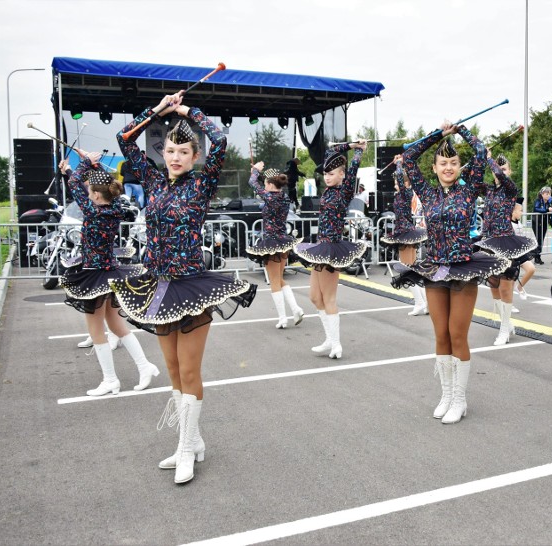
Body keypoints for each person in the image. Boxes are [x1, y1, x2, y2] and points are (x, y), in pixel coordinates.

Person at [112, 92, 257, 485]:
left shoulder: (202, 183)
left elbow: (222, 141)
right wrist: (158, 110)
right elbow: (125, 138)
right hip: (157, 286)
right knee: (173, 369)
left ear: (195, 156)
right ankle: (189, 443)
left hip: (191, 287)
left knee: (190, 369)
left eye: (183, 151)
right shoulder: (155, 180)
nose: (175, 157)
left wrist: (187, 112)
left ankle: (187, 448)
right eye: (170, 150)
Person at [391, 123, 509, 425]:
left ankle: (460, 398)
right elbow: (408, 155)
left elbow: (481, 151)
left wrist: (462, 131)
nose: (448, 167)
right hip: (434, 267)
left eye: (453, 163)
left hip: (463, 268)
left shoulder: (469, 188)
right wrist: (438, 135)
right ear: (435, 167)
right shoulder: (428, 193)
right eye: (443, 162)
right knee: (440, 334)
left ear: (460, 167)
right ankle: (445, 394)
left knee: (458, 335)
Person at [59, 152, 157, 396]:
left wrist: (80, 165)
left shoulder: (93, 212)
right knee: (116, 324)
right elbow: (81, 184)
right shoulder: (114, 207)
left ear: (94, 195)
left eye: (90, 191)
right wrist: (86, 166)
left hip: (94, 274)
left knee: (97, 329)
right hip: (110, 272)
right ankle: (145, 366)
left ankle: (111, 380)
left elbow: (75, 185)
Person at [294, 141, 368, 359]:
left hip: (333, 249)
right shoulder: (327, 191)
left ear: (342, 175)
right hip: (320, 246)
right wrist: (350, 143)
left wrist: (359, 151)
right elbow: (329, 151)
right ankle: (329, 339)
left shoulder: (344, 191)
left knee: (329, 298)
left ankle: (336, 344)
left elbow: (353, 168)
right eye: (325, 173)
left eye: (332, 173)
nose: (327, 176)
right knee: (315, 297)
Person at [476, 153, 537, 346]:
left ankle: (504, 329)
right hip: (488, 241)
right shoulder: (488, 190)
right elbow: (473, 181)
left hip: (505, 241)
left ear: (509, 171)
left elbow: (500, 176)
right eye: (497, 169)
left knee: (505, 286)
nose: (500, 172)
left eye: (504, 169)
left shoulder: (510, 189)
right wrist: (478, 158)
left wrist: (489, 160)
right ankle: (506, 323)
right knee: (493, 285)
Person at [245, 161, 305, 329]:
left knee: (274, 281)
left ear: (271, 185)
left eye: (266, 184)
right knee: (279, 279)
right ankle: (296, 309)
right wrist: (259, 173)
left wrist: (256, 170)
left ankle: (282, 318)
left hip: (272, 242)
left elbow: (252, 183)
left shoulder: (269, 197)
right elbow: (259, 185)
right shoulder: (285, 198)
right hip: (284, 242)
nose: (264, 187)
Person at [381, 160, 428, 315]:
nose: (395, 184)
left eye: (397, 181)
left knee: (406, 269)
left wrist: (399, 164)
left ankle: (420, 303)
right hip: (404, 232)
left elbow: (401, 179)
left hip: (406, 233)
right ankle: (425, 303)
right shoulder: (401, 194)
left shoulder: (406, 192)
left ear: (405, 183)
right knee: (411, 269)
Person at [511, 197, 535, 301]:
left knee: (531, 269)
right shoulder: (508, 224)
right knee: (510, 279)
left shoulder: (519, 223)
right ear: (513, 211)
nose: (522, 213)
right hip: (511, 253)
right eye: (520, 211)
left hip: (520, 251)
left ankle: (519, 287)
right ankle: (508, 304)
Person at [532, 187, 552, 264]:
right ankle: (535, 256)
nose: (548, 195)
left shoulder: (549, 201)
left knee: (541, 240)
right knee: (538, 240)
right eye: (546, 194)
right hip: (537, 222)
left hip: (544, 222)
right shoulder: (538, 201)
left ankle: (537, 257)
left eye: (549, 194)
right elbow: (536, 209)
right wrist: (547, 210)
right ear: (542, 194)